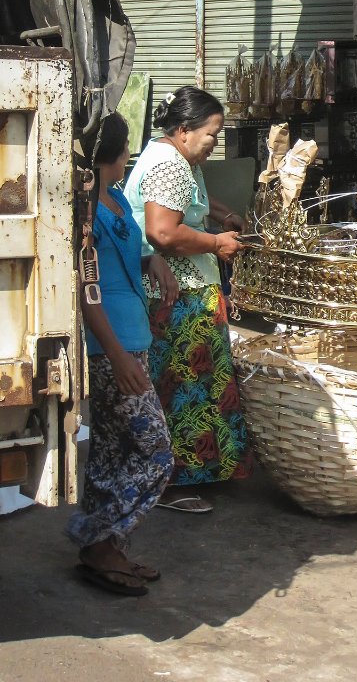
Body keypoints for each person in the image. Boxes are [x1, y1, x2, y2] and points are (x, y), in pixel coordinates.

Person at [124, 86, 251, 514]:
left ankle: (187, 471)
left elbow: (187, 199)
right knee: (183, 386)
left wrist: (218, 212)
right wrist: (216, 242)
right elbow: (163, 232)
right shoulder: (169, 165)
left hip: (183, 288)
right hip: (175, 293)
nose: (214, 144)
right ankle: (170, 480)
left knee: (191, 383)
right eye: (211, 135)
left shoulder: (175, 156)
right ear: (183, 130)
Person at [67, 112, 178, 596]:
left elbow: (125, 254)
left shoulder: (113, 198)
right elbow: (86, 288)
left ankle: (106, 549)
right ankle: (97, 539)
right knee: (156, 452)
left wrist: (152, 260)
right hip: (113, 345)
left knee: (112, 451)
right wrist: (114, 354)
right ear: (114, 149)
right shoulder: (86, 211)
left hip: (133, 339)